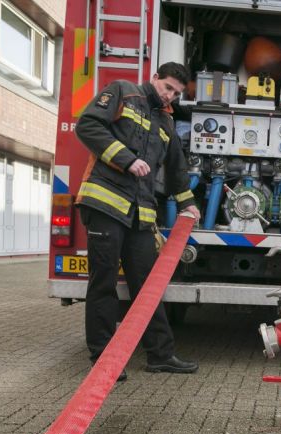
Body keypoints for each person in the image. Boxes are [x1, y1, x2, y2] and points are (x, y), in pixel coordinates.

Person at [75, 62, 201, 381]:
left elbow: (175, 168)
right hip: (105, 204)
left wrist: (187, 203)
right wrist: (126, 159)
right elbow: (88, 125)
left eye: (176, 92)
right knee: (103, 282)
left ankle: (160, 354)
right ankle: (103, 359)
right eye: (167, 87)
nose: (170, 95)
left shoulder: (166, 121)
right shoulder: (123, 92)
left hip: (140, 215)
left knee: (147, 287)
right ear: (155, 78)